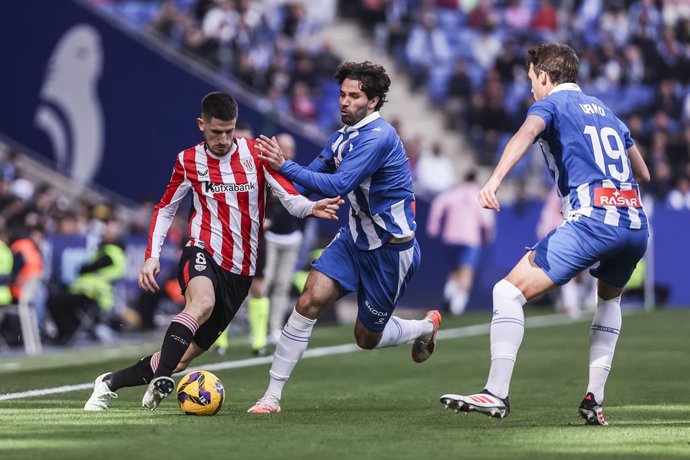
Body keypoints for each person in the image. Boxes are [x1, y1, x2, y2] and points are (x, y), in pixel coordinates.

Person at [83, 91, 342, 411]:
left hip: (241, 270)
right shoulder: (188, 161)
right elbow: (165, 208)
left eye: (229, 131)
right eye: (216, 131)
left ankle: (109, 383)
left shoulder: (256, 154)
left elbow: (288, 197)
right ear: (201, 125)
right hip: (203, 250)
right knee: (201, 302)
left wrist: (312, 206)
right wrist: (152, 255)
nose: (223, 139)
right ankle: (161, 379)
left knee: (180, 360)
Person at [440, 44, 650, 426]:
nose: (531, 88)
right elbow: (645, 174)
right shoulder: (607, 112)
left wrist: (494, 180)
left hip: (593, 219)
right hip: (635, 223)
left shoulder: (550, 105)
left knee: (506, 292)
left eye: (531, 79)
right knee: (608, 303)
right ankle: (594, 399)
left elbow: (525, 134)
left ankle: (495, 393)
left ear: (544, 76)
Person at [247, 61, 442, 414]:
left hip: (390, 251)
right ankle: (271, 397)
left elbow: (338, 184)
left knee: (366, 338)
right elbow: (308, 177)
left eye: (354, 96)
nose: (344, 102)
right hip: (353, 240)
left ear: (375, 101)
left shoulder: (380, 137)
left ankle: (424, 328)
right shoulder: (340, 137)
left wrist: (283, 165)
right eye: (342, 94)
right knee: (308, 300)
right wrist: (267, 174)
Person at [427, 169, 495, 315]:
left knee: (454, 271)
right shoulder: (479, 195)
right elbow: (487, 220)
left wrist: (433, 226)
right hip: (470, 239)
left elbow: (438, 205)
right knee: (466, 272)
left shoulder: (453, 193)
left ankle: (448, 296)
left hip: (451, 237)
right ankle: (457, 307)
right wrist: (488, 236)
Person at [264, 133, 305, 344]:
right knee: (264, 283)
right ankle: (257, 327)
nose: (288, 152)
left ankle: (274, 328)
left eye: (290, 148)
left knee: (282, 285)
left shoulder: (296, 173)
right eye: (284, 147)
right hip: (269, 236)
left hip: (291, 237)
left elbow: (302, 202)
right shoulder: (265, 170)